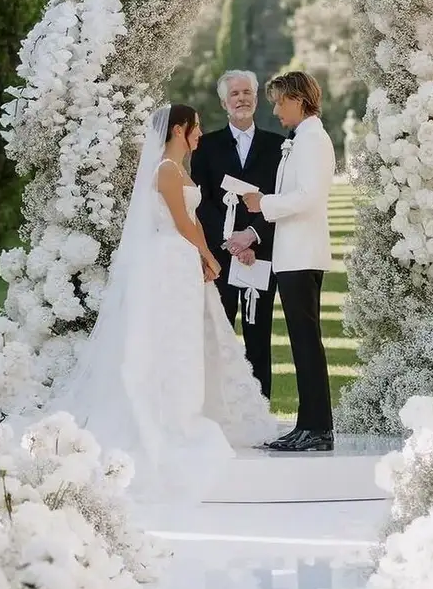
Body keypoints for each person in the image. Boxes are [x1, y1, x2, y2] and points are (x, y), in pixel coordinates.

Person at [38, 103, 277, 504]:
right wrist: (209, 255)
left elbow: (195, 217)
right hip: (170, 258)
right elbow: (182, 225)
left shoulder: (181, 170)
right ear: (180, 128)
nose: (200, 134)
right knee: (172, 339)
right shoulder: (165, 170)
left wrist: (203, 251)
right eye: (196, 128)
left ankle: (192, 406)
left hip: (185, 259)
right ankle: (171, 416)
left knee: (190, 338)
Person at [243, 71, 336, 452]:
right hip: (292, 254)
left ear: (298, 99)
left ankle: (317, 428)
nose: (276, 110)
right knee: (302, 343)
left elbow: (309, 197)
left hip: (302, 255)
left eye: (280, 102)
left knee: (306, 343)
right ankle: (308, 424)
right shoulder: (301, 139)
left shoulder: (313, 140)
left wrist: (263, 204)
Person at [191, 71, 283, 399]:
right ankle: (217, 407)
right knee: (219, 334)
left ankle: (260, 411)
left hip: (261, 252)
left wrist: (252, 237)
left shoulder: (278, 147)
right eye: (235, 94)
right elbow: (202, 204)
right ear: (223, 102)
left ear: (256, 99)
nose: (242, 98)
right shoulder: (206, 146)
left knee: (259, 336)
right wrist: (232, 242)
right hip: (221, 256)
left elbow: (279, 199)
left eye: (247, 93)